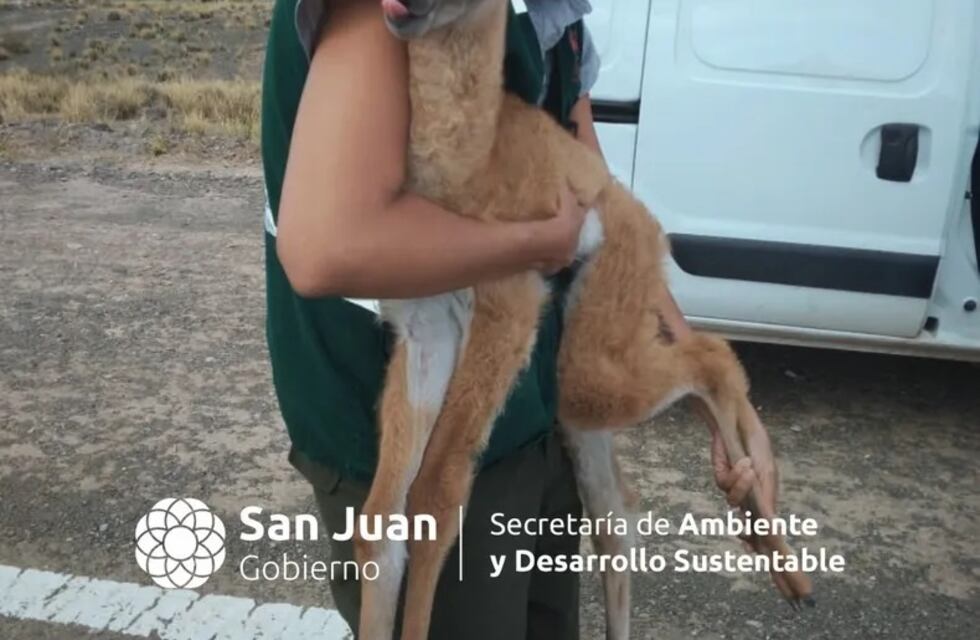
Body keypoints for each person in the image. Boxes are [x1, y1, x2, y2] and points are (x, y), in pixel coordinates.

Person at [260, 0, 776, 637]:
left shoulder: (554, 18)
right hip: (402, 441)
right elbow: (324, 249)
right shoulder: (387, 15)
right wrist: (536, 244)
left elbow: (591, 191)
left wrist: (708, 385)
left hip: (530, 414)